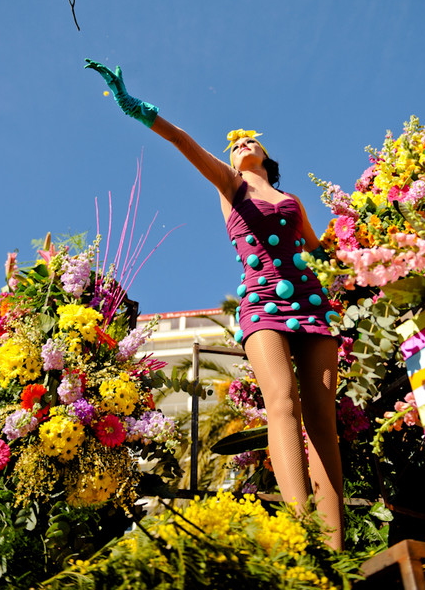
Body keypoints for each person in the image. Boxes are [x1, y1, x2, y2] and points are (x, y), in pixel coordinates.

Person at [85, 60, 344, 550]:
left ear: (267, 154)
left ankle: (337, 551)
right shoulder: (231, 184)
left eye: (251, 142)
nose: (242, 145)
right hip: (263, 303)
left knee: (323, 422)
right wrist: (137, 109)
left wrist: (367, 221)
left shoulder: (292, 201)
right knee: (282, 405)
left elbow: (321, 250)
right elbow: (186, 143)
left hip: (313, 301)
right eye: (235, 145)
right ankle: (302, 539)